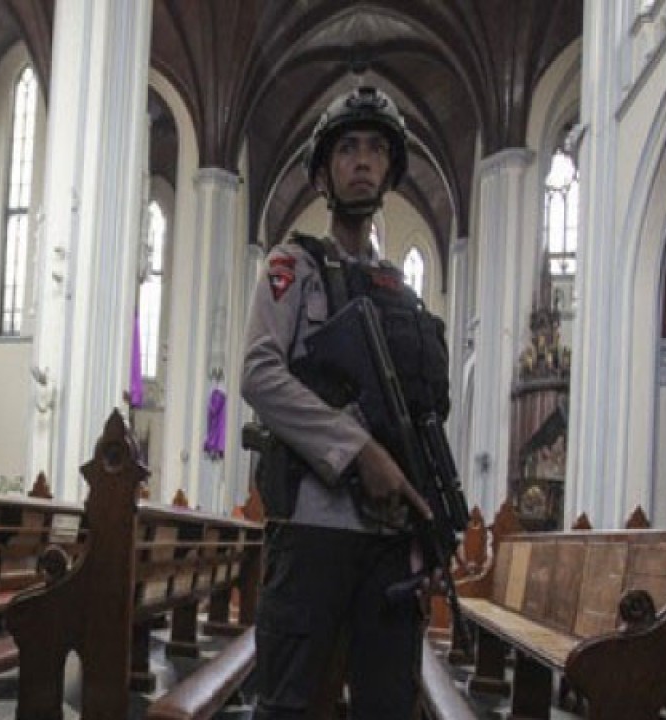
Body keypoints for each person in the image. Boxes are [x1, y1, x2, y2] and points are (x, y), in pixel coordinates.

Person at [241, 85, 437, 720]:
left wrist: (424, 528)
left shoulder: (403, 296)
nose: (362, 161)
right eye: (348, 148)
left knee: (386, 706)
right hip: (313, 530)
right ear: (325, 170)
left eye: (376, 149)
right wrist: (357, 451)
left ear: (389, 169)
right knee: (286, 707)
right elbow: (259, 374)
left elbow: (420, 418)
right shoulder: (290, 266)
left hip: (389, 542)